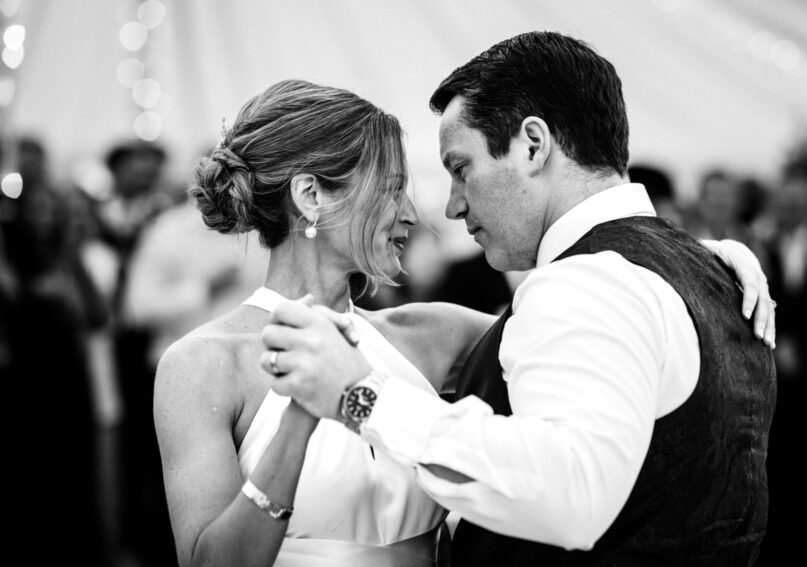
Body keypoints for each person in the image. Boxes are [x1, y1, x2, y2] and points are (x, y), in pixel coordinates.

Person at [154, 81, 773, 566]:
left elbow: (600, 330)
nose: (413, 214)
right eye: (392, 188)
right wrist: (301, 415)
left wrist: (695, 266)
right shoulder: (202, 366)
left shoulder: (432, 334)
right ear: (312, 197)